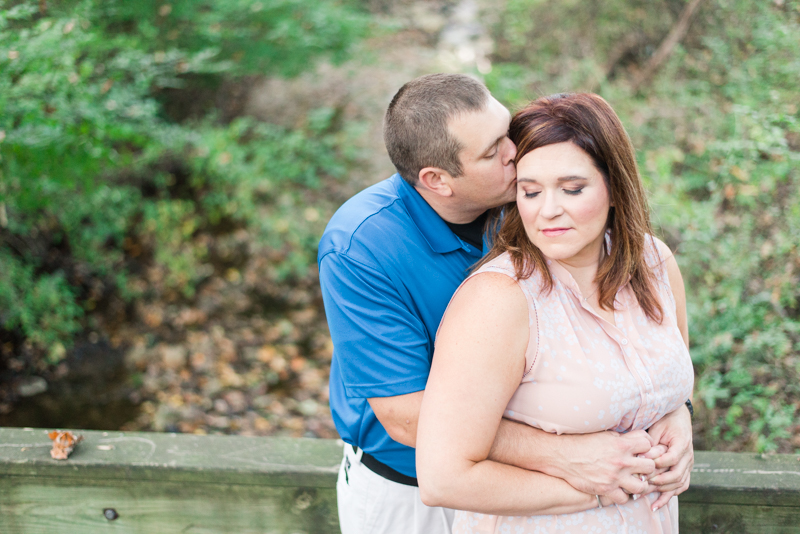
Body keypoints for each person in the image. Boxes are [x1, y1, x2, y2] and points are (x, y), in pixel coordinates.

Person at [318, 76, 694, 534]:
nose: (515, 153)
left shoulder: (524, 201)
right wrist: (568, 458)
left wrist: (676, 416)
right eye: (493, 150)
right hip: (407, 485)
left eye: (507, 132)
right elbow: (407, 417)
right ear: (438, 181)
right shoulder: (362, 247)